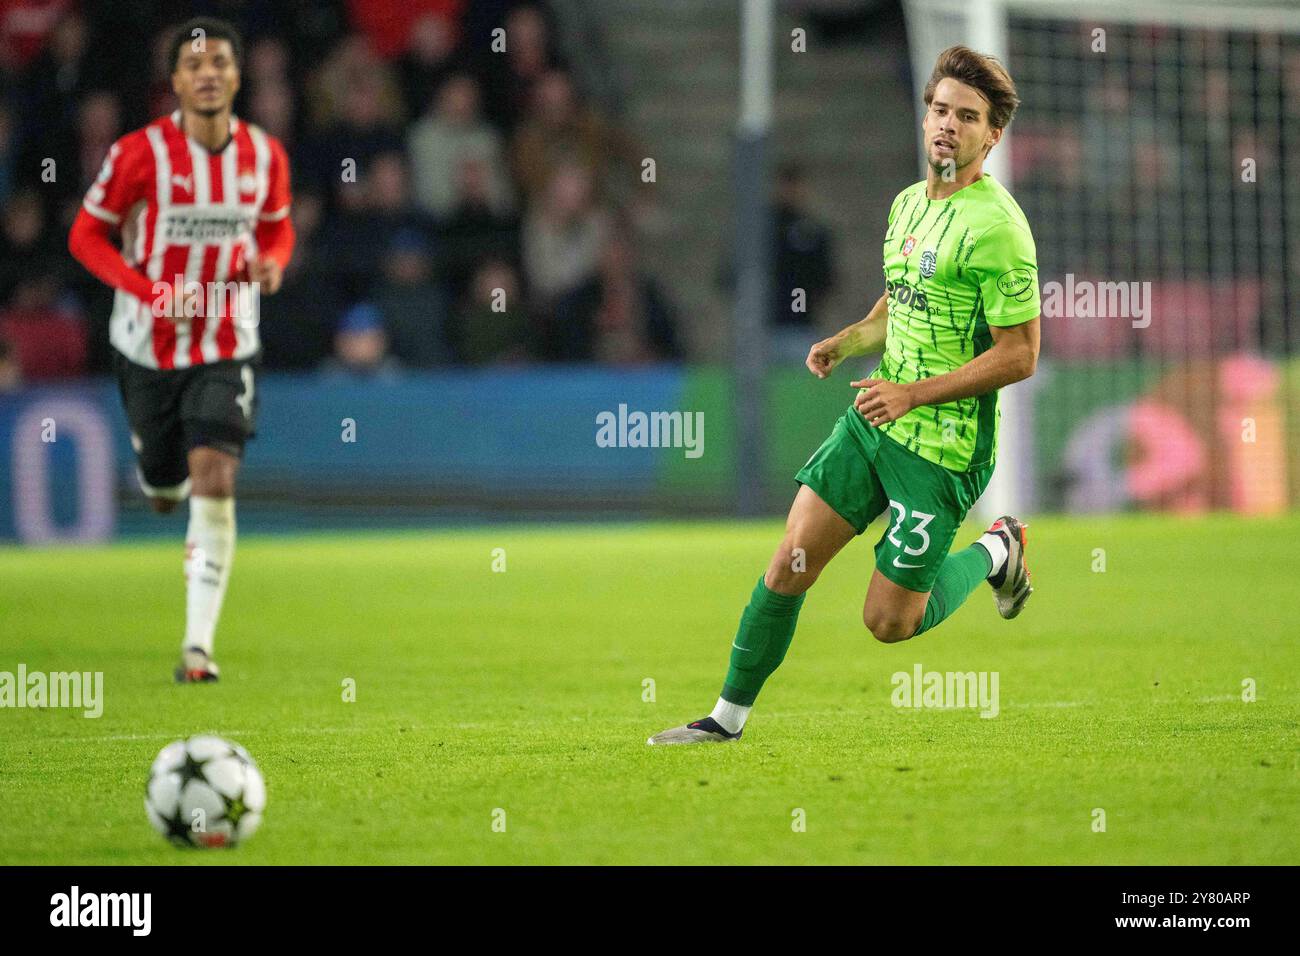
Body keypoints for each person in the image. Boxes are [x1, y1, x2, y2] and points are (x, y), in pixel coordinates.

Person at [649, 46, 1041, 745]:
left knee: (889, 623)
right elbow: (905, 301)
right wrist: (849, 339)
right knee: (790, 559)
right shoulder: (908, 205)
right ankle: (725, 720)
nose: (948, 126)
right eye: (940, 110)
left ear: (992, 136)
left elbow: (1020, 354)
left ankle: (997, 549)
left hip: (943, 448)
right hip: (873, 420)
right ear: (925, 118)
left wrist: (914, 395)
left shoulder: (1000, 230)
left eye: (967, 117)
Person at [67, 17, 295, 683]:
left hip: (227, 341)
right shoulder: (139, 154)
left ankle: (197, 647)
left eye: (220, 61)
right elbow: (86, 236)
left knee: (215, 479)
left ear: (237, 75)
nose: (208, 73)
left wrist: (273, 265)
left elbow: (277, 232)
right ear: (174, 81)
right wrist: (148, 291)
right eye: (194, 64)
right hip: (147, 345)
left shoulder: (264, 155)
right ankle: (155, 472)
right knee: (167, 490)